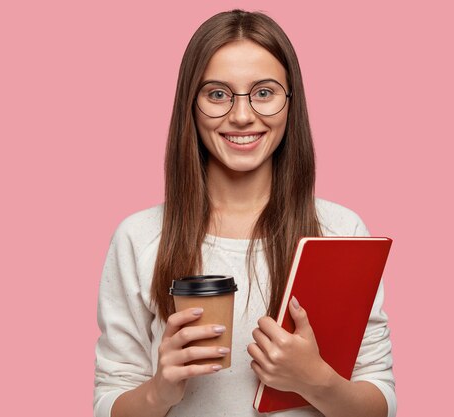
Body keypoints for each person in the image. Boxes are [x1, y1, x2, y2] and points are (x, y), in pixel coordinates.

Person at [94, 9, 395, 417]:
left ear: (291, 104)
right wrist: (160, 390)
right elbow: (109, 401)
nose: (241, 115)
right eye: (217, 94)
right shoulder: (139, 236)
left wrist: (315, 380)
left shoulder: (339, 230)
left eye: (264, 92)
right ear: (192, 104)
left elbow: (381, 400)